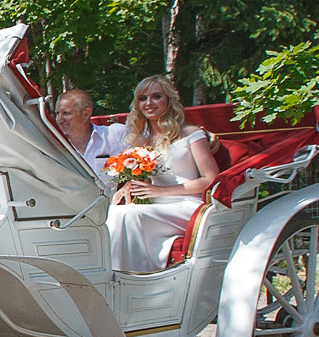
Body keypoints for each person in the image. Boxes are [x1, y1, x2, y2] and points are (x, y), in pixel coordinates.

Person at [106, 75, 221, 273]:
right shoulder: (142, 139)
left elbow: (211, 179)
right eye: (143, 98)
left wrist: (160, 191)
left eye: (156, 96)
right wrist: (127, 186)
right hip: (156, 206)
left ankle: (138, 276)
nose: (149, 103)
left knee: (132, 213)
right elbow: (143, 177)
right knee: (116, 211)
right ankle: (115, 276)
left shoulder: (191, 133)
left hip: (188, 204)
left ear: (169, 100)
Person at [52, 88, 127, 172]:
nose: (59, 120)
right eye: (57, 113)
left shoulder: (116, 135)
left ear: (86, 114)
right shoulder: (53, 146)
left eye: (66, 113)